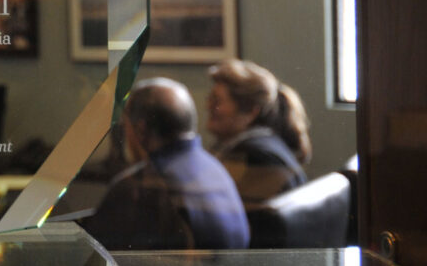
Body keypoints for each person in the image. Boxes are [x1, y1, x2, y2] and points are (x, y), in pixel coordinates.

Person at [86, 78, 250, 250]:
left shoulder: (140, 186)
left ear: (140, 129)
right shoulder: (215, 168)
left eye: (126, 125)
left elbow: (94, 258)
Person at [206, 59, 311, 206]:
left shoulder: (251, 156)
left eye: (217, 101)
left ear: (251, 112)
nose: (208, 106)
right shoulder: (265, 144)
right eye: (210, 99)